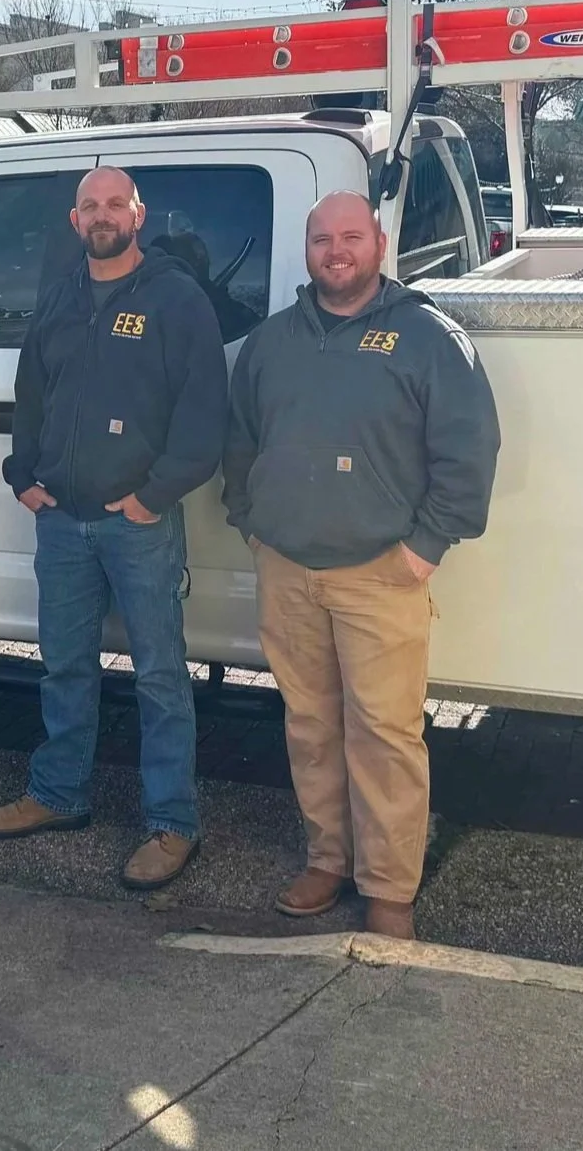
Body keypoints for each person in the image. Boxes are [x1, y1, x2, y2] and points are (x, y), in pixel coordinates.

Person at [223, 190, 500, 939]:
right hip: (288, 570)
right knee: (310, 725)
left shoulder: (428, 338)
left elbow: (469, 451)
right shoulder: (273, 342)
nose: (335, 251)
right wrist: (252, 524)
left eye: (350, 237)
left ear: (379, 243)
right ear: (307, 251)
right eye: (322, 240)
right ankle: (327, 860)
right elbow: (240, 442)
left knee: (383, 733)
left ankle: (388, 890)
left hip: (382, 572)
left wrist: (426, 544)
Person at [0, 166, 229, 891]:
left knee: (158, 675)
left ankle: (173, 822)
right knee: (64, 665)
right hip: (60, 520)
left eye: (116, 202)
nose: (103, 214)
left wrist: (154, 496)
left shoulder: (178, 299)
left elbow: (204, 414)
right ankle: (58, 794)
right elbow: (31, 393)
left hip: (137, 523)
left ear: (139, 213)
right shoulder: (61, 297)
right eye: (90, 205)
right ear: (74, 221)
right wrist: (23, 476)